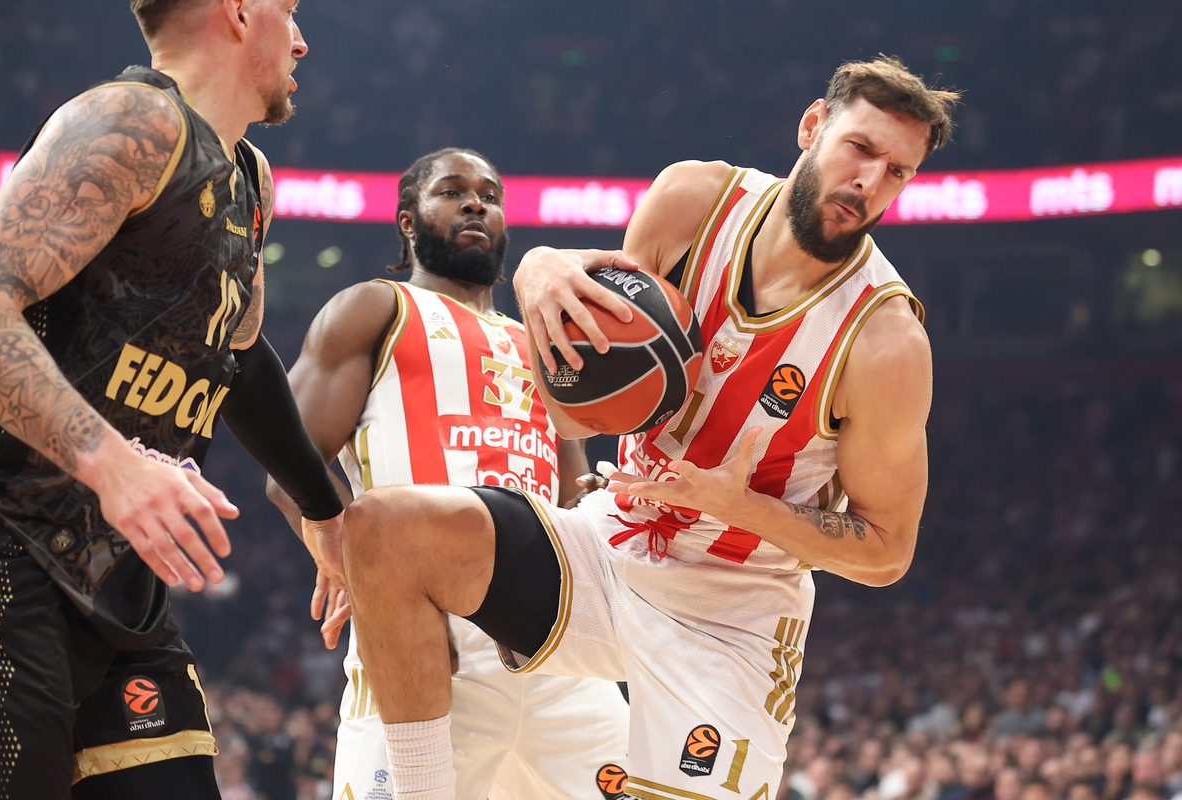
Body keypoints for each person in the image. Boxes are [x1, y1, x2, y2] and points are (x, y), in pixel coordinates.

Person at [338, 56, 959, 800]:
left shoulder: (886, 339)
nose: (870, 183)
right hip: (610, 544)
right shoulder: (694, 200)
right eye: (861, 149)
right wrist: (538, 269)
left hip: (733, 611)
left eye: (898, 172)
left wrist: (739, 506)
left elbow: (887, 551)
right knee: (383, 529)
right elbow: (584, 398)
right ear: (813, 126)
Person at [0, 0, 345, 797]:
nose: (304, 38)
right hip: (7, 554)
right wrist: (113, 466)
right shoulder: (130, 121)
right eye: (290, 11)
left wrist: (329, 513)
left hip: (121, 587)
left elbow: (239, 363)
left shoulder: (248, 177)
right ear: (241, 12)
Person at [267, 148, 631, 800]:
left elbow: (575, 503)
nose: (475, 204)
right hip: (427, 639)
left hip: (557, 647)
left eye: (490, 195)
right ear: (408, 221)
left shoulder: (542, 341)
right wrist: (347, 562)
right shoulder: (375, 308)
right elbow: (287, 464)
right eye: (453, 191)